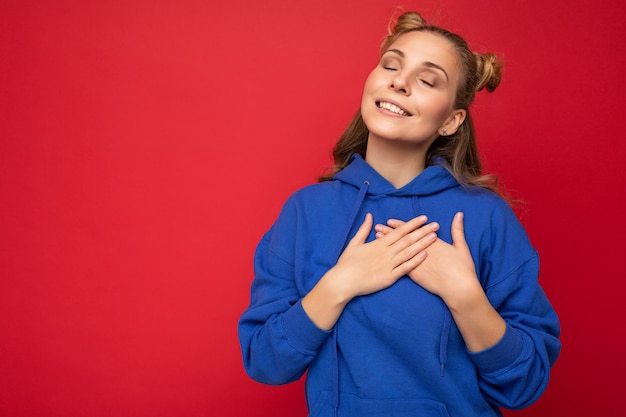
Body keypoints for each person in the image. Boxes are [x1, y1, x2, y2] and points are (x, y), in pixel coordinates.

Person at [238, 11, 561, 417]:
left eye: (427, 80)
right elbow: (266, 362)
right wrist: (340, 283)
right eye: (391, 65)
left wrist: (465, 296)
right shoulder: (306, 211)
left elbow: (525, 385)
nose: (399, 82)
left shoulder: (486, 218)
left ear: (451, 120)